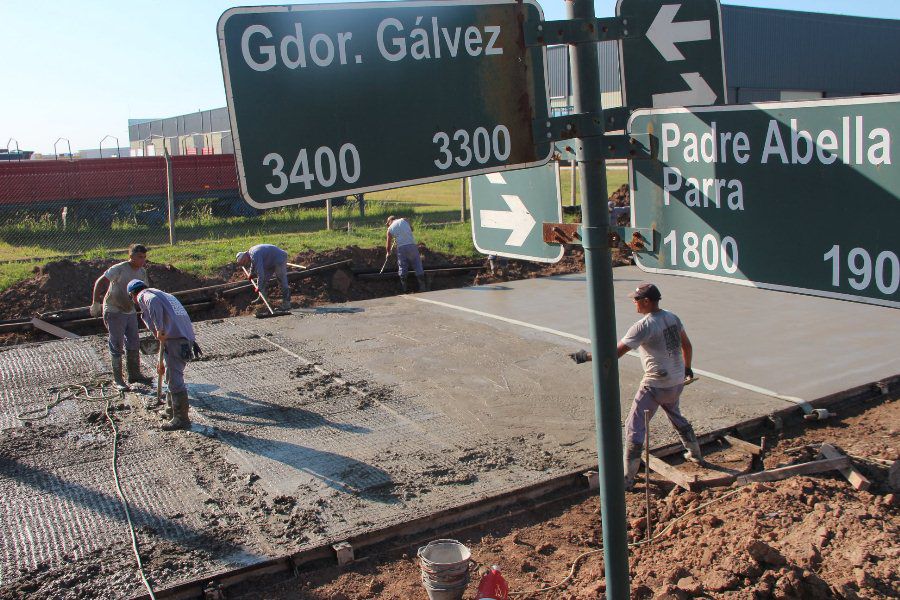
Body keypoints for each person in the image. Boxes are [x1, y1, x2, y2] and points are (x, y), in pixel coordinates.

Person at [617, 283, 700, 490]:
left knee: (634, 426)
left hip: (655, 384)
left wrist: (588, 356)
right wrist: (687, 368)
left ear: (646, 301)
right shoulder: (672, 317)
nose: (634, 303)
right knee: (675, 414)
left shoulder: (643, 326)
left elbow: (615, 353)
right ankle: (695, 453)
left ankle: (627, 478)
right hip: (676, 381)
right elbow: (687, 345)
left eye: (636, 300)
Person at [128, 279, 200, 431]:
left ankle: (181, 419)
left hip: (175, 341)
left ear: (133, 294)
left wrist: (159, 328)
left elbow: (152, 302)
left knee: (175, 379)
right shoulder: (165, 295)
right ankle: (170, 410)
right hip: (184, 340)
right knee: (170, 375)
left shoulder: (145, 295)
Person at [89, 243, 153, 391]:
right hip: (114, 309)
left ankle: (134, 374)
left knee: (133, 341)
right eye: (139, 257)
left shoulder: (142, 272)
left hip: (129, 310)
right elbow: (101, 281)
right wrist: (96, 302)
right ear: (131, 256)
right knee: (116, 342)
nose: (142, 260)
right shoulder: (120, 269)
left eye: (144, 257)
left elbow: (145, 291)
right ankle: (118, 379)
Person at [235, 244, 292, 311]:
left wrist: (258, 287)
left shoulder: (254, 254)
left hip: (280, 258)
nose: (245, 263)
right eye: (243, 263)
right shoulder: (250, 253)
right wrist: (251, 273)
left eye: (244, 261)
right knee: (264, 280)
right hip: (270, 261)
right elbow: (253, 263)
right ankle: (262, 297)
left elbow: (260, 273)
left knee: (281, 280)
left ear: (244, 256)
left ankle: (287, 303)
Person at [385, 215, 427, 292]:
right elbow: (412, 229)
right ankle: (422, 287)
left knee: (403, 266)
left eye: (388, 224)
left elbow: (388, 245)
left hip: (401, 248)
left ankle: (404, 289)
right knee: (417, 264)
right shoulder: (404, 220)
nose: (388, 225)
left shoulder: (389, 229)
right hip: (412, 246)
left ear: (389, 222)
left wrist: (388, 253)